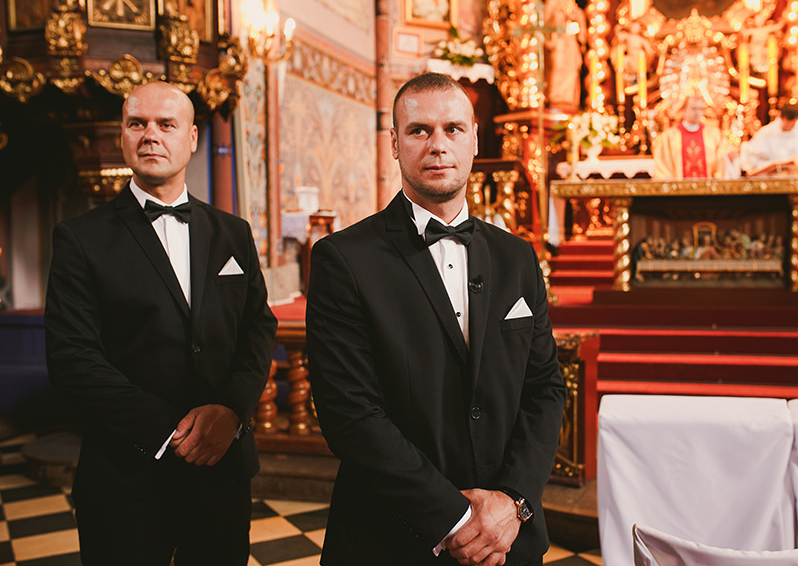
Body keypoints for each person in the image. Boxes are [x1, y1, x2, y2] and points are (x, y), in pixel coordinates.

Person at [306, 72, 567, 566]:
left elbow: (545, 388)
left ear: (474, 139)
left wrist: (513, 501)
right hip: (390, 538)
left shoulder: (517, 257)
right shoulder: (344, 259)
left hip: (507, 537)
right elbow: (350, 412)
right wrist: (456, 518)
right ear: (395, 143)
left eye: (452, 129)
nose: (438, 145)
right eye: (419, 130)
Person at [44, 81, 278, 565]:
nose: (151, 135)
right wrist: (171, 430)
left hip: (222, 473)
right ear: (123, 136)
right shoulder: (81, 238)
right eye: (137, 123)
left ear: (191, 138)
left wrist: (231, 409)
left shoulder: (232, 233)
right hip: (125, 478)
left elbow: (258, 327)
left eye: (166, 124)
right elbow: (72, 357)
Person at [652, 94, 739, 179]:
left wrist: (729, 156)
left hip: (708, 187)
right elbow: (662, 164)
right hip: (679, 187)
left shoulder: (714, 134)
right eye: (694, 108)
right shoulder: (670, 136)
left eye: (701, 109)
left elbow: (723, 155)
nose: (698, 112)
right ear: (683, 110)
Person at [741, 103, 798, 178]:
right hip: (772, 182)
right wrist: (774, 167)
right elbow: (751, 160)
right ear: (780, 117)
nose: (789, 126)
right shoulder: (766, 133)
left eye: (793, 123)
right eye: (787, 122)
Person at [544, 0, 587, 109]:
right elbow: (546, 22)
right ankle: (556, 98)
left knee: (572, 71)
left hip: (570, 41)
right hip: (559, 41)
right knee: (558, 67)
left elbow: (579, 20)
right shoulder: (552, 0)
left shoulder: (571, 2)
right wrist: (560, 17)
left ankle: (569, 100)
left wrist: (576, 17)